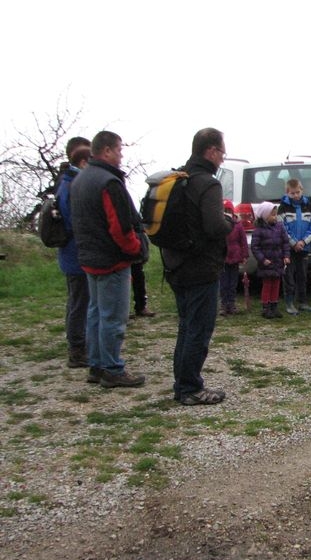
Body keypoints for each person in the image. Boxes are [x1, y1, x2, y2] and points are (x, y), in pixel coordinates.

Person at [161, 127, 232, 405]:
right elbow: (214, 226)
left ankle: (182, 384)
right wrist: (230, 223)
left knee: (186, 326)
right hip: (201, 267)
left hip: (176, 263)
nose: (223, 158)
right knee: (199, 329)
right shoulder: (208, 184)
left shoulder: (179, 179)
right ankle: (190, 387)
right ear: (211, 151)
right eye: (222, 152)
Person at [70, 131, 146, 388]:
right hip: (111, 260)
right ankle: (112, 368)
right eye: (119, 150)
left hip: (89, 256)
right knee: (113, 317)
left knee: (95, 313)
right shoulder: (108, 182)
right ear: (107, 151)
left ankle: (96, 365)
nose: (121, 155)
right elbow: (119, 227)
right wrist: (135, 249)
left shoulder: (80, 179)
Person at [56, 142, 91, 369]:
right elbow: (74, 222)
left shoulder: (67, 182)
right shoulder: (71, 186)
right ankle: (77, 349)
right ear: (83, 162)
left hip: (73, 252)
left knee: (77, 300)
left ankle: (79, 343)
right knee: (79, 302)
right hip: (76, 253)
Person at [277, 178, 311, 314]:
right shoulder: (283, 208)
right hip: (289, 249)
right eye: (292, 193)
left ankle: (302, 301)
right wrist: (294, 242)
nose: (295, 195)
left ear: (302, 190)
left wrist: (304, 241)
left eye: (297, 192)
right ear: (287, 193)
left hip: (304, 247)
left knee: (303, 275)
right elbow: (282, 227)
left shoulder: (309, 206)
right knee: (289, 275)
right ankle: (289, 302)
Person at [251, 201, 291, 319]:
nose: (275, 217)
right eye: (272, 215)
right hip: (267, 263)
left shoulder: (280, 227)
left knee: (276, 284)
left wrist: (286, 256)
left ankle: (274, 305)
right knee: (267, 284)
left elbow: (285, 242)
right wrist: (262, 259)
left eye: (275, 214)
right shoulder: (259, 230)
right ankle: (266, 307)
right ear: (265, 216)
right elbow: (255, 247)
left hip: (278, 261)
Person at [219, 199, 249, 316]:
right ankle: (223, 304)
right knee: (223, 283)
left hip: (235, 257)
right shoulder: (219, 225)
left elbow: (243, 241)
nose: (226, 213)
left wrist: (244, 255)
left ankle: (231, 304)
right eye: (223, 210)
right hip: (223, 258)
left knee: (233, 283)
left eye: (228, 210)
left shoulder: (238, 225)